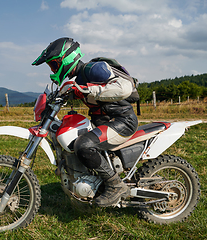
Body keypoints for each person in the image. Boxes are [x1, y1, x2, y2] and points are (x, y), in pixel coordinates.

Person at [32, 37, 138, 207]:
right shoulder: (75, 79)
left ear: (66, 59)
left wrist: (87, 89)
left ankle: (115, 185)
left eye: (54, 65)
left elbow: (124, 87)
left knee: (83, 145)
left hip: (122, 121)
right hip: (103, 122)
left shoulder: (93, 69)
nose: (53, 70)